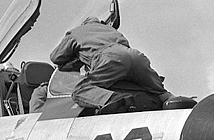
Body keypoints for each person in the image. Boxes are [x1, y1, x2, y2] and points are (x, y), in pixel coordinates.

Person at [50, 17, 192, 115]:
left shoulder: (76, 32)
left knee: (80, 91)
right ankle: (177, 104)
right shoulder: (112, 30)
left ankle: (115, 99)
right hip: (136, 56)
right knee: (159, 92)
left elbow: (56, 57)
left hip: (110, 58)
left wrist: (77, 58)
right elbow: (124, 57)